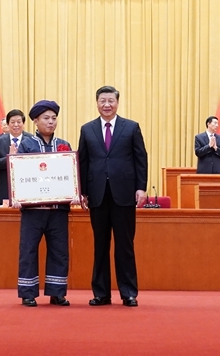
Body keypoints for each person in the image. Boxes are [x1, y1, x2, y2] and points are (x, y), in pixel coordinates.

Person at [78, 86, 148, 308]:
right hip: (97, 194)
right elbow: (83, 162)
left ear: (117, 103)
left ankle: (129, 293)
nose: (106, 105)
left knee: (125, 245)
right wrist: (82, 191)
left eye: (111, 101)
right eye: (103, 101)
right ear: (96, 103)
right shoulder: (87, 129)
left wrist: (141, 187)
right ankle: (101, 294)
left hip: (124, 193)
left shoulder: (131, 127)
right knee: (100, 245)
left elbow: (141, 158)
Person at [15, 100, 73, 307]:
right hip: (33, 211)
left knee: (59, 250)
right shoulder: (26, 145)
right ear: (36, 121)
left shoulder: (64, 145)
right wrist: (17, 196)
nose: (51, 122)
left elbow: (71, 174)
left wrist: (75, 191)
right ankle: (28, 293)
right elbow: (18, 174)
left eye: (54, 118)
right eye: (46, 118)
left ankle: (57, 292)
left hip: (58, 210)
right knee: (28, 250)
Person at [0, 109, 33, 206]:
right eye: (12, 122)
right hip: (4, 190)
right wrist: (9, 158)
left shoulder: (31, 140)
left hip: (27, 189)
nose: (16, 125)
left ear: (23, 124)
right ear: (8, 124)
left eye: (19, 122)